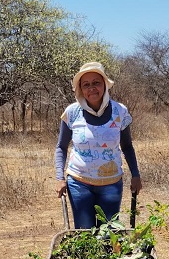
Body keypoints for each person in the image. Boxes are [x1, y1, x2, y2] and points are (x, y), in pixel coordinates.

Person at [55, 61, 142, 229]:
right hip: (79, 183)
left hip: (111, 183)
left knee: (108, 233)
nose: (91, 88)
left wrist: (136, 175)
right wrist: (59, 178)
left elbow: (127, 146)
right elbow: (61, 147)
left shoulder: (120, 111)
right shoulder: (72, 113)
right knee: (84, 233)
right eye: (86, 84)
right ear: (80, 89)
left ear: (105, 85)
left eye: (96, 82)